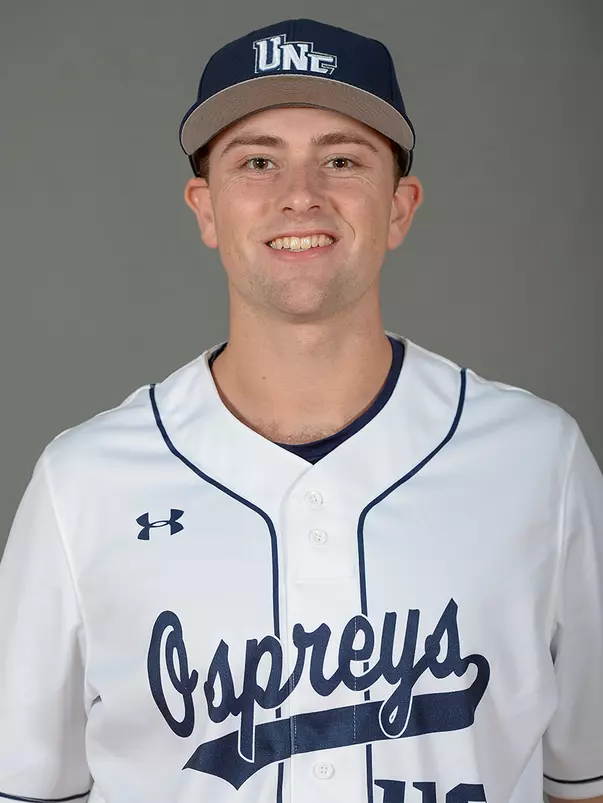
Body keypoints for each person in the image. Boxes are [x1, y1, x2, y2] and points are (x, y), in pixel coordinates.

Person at [0, 17, 601, 803]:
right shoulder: (81, 485)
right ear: (206, 207)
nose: (299, 196)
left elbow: (584, 780)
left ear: (399, 206)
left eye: (342, 160)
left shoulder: (539, 463)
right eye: (256, 162)